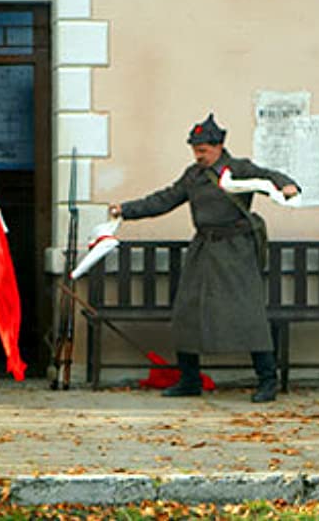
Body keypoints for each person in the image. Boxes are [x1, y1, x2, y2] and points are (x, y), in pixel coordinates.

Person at [108, 113, 299, 403]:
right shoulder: (193, 176)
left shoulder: (238, 168)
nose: (199, 155)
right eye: (195, 150)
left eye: (204, 150)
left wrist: (288, 186)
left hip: (236, 250)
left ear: (219, 146)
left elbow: (270, 176)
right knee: (187, 311)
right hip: (204, 249)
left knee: (248, 314)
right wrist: (126, 209)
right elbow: (165, 199)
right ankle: (189, 379)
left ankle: (267, 380)